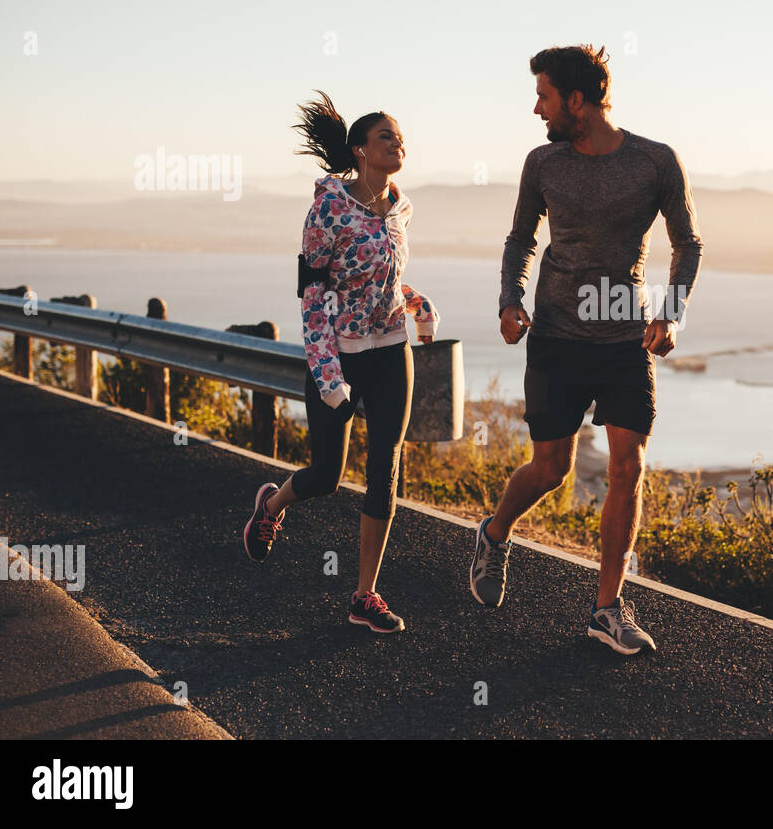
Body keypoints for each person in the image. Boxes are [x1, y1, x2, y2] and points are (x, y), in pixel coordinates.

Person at [471, 45, 704, 655]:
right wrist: (509, 299)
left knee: (629, 467)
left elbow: (688, 243)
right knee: (553, 470)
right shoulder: (543, 162)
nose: (536, 107)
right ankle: (495, 533)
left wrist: (670, 311)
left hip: (625, 339)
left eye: (544, 96)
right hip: (555, 336)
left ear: (577, 100)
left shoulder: (655, 161)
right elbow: (521, 237)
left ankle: (606, 609)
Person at [243, 90, 440, 634]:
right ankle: (271, 506)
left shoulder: (400, 206)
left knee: (386, 468)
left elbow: (385, 278)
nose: (398, 143)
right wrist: (328, 373)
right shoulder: (327, 210)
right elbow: (313, 296)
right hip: (338, 359)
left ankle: (364, 596)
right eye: (386, 136)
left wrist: (417, 306)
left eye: (400, 136)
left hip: (391, 351)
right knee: (328, 475)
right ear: (359, 150)